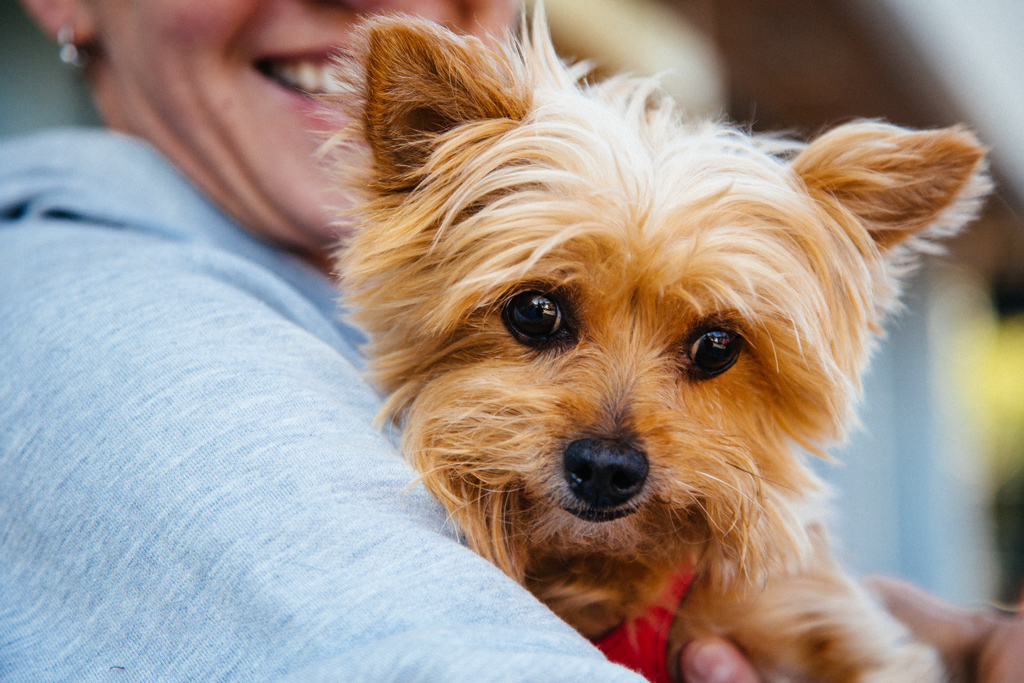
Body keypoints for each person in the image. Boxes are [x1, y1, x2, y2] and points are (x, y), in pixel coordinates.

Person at [2, 0, 1021, 681]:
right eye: (540, 317)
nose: (611, 437)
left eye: (707, 351)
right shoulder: (104, 330)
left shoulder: (298, 305)